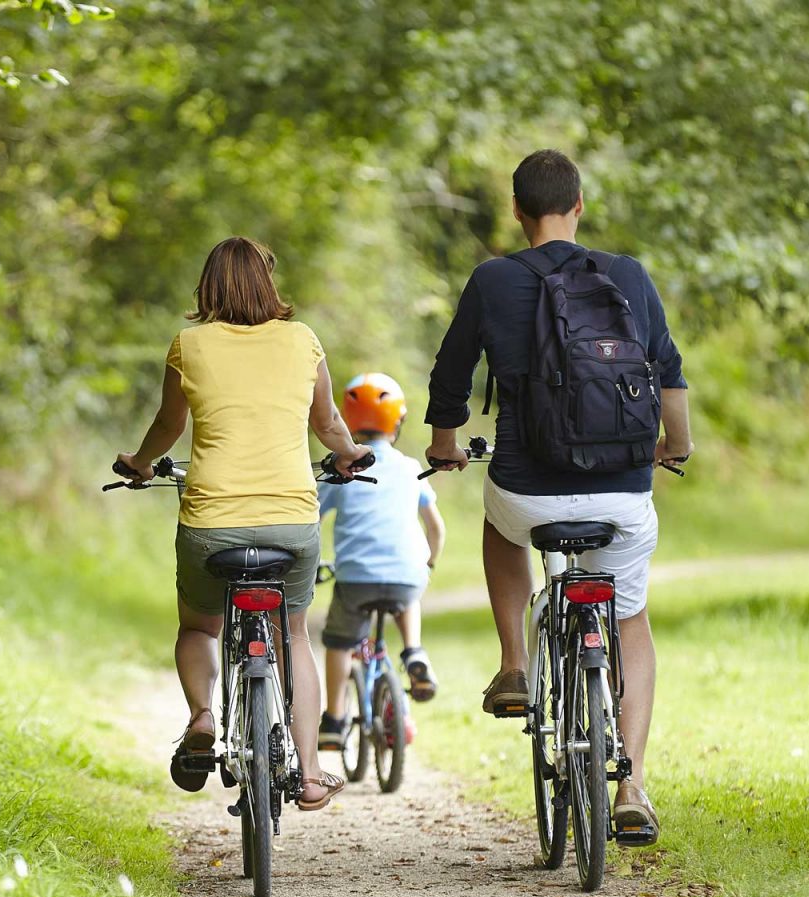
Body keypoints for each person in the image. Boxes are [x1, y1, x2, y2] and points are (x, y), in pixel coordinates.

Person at [424, 150, 693, 843]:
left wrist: (444, 446)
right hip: (623, 493)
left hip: (528, 489)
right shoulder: (626, 274)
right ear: (580, 204)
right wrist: (675, 446)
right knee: (630, 619)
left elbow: (451, 376)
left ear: (517, 212)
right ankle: (631, 783)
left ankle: (515, 663)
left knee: (497, 524)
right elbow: (667, 370)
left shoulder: (492, 280)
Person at [115, 236, 370, 812]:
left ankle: (203, 718)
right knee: (294, 635)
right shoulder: (303, 341)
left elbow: (167, 425)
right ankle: (308, 773)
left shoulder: (190, 345)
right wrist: (350, 454)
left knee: (199, 628)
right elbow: (328, 424)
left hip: (212, 524)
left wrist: (139, 464)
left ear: (207, 287)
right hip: (291, 521)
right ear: (268, 284)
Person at [317, 372, 445, 750]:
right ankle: (414, 651)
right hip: (405, 572)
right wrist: (430, 564)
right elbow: (435, 527)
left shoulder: (340, 469)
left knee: (340, 641)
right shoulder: (409, 468)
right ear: (399, 421)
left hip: (355, 576)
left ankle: (335, 721)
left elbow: (312, 519)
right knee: (408, 591)